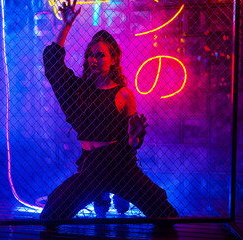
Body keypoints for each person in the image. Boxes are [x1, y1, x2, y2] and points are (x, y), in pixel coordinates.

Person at [40, 0, 178, 221]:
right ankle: (102, 192)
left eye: (101, 55)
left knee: (167, 217)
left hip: (118, 164)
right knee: (49, 217)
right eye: (91, 54)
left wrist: (133, 138)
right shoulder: (77, 91)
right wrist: (66, 25)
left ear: (114, 60)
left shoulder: (123, 94)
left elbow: (131, 145)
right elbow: (53, 64)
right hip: (91, 167)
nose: (94, 59)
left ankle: (115, 192)